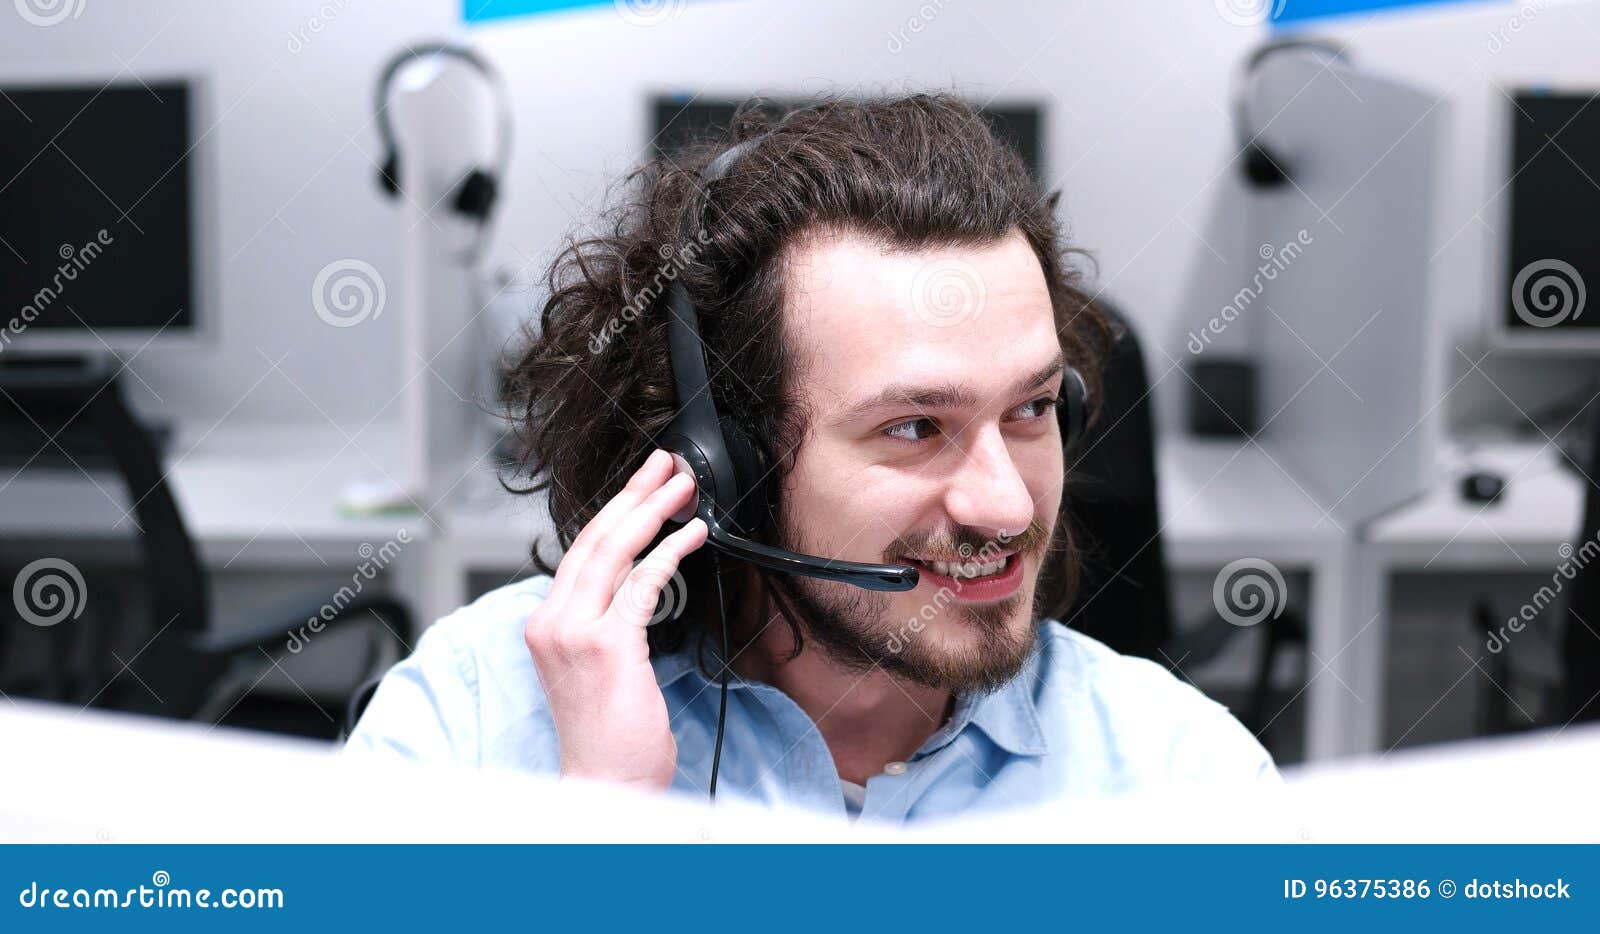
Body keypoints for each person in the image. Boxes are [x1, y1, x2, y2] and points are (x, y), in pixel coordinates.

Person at [347, 93, 1280, 823]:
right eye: (915, 427)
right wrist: (605, 832)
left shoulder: (1179, 776)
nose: (1004, 507)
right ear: (726, 464)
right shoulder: (477, 720)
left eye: (1032, 409)